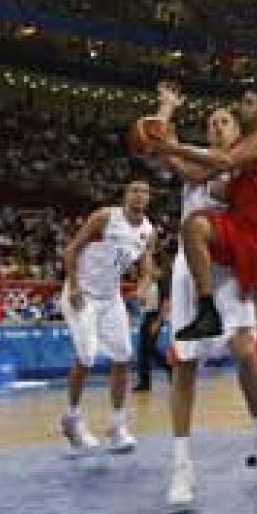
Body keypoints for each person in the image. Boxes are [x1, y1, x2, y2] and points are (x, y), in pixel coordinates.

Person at [152, 86, 257, 454]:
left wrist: (170, 146)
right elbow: (164, 150)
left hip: (249, 246)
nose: (219, 125)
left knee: (253, 339)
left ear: (238, 132)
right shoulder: (204, 163)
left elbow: (214, 168)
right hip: (204, 256)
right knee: (184, 360)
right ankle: (182, 458)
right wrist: (166, 110)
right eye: (212, 122)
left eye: (226, 120)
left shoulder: (250, 153)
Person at [60, 180, 157, 455]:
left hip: (111, 297)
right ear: (125, 196)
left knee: (124, 356)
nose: (139, 196)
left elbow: (148, 267)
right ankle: (72, 418)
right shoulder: (105, 217)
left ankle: (117, 425)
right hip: (82, 293)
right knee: (87, 356)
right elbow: (71, 250)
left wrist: (142, 286)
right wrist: (75, 287)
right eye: (134, 191)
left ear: (149, 199)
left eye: (144, 191)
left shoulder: (148, 231)